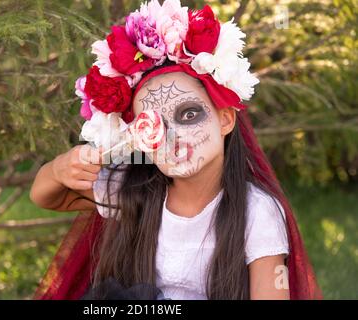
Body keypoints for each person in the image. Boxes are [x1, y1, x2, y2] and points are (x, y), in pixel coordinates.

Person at [30, 0, 322, 300]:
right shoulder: (134, 191)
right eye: (153, 123)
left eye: (189, 115)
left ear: (225, 119)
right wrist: (57, 170)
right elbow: (45, 195)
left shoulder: (255, 212)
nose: (173, 136)